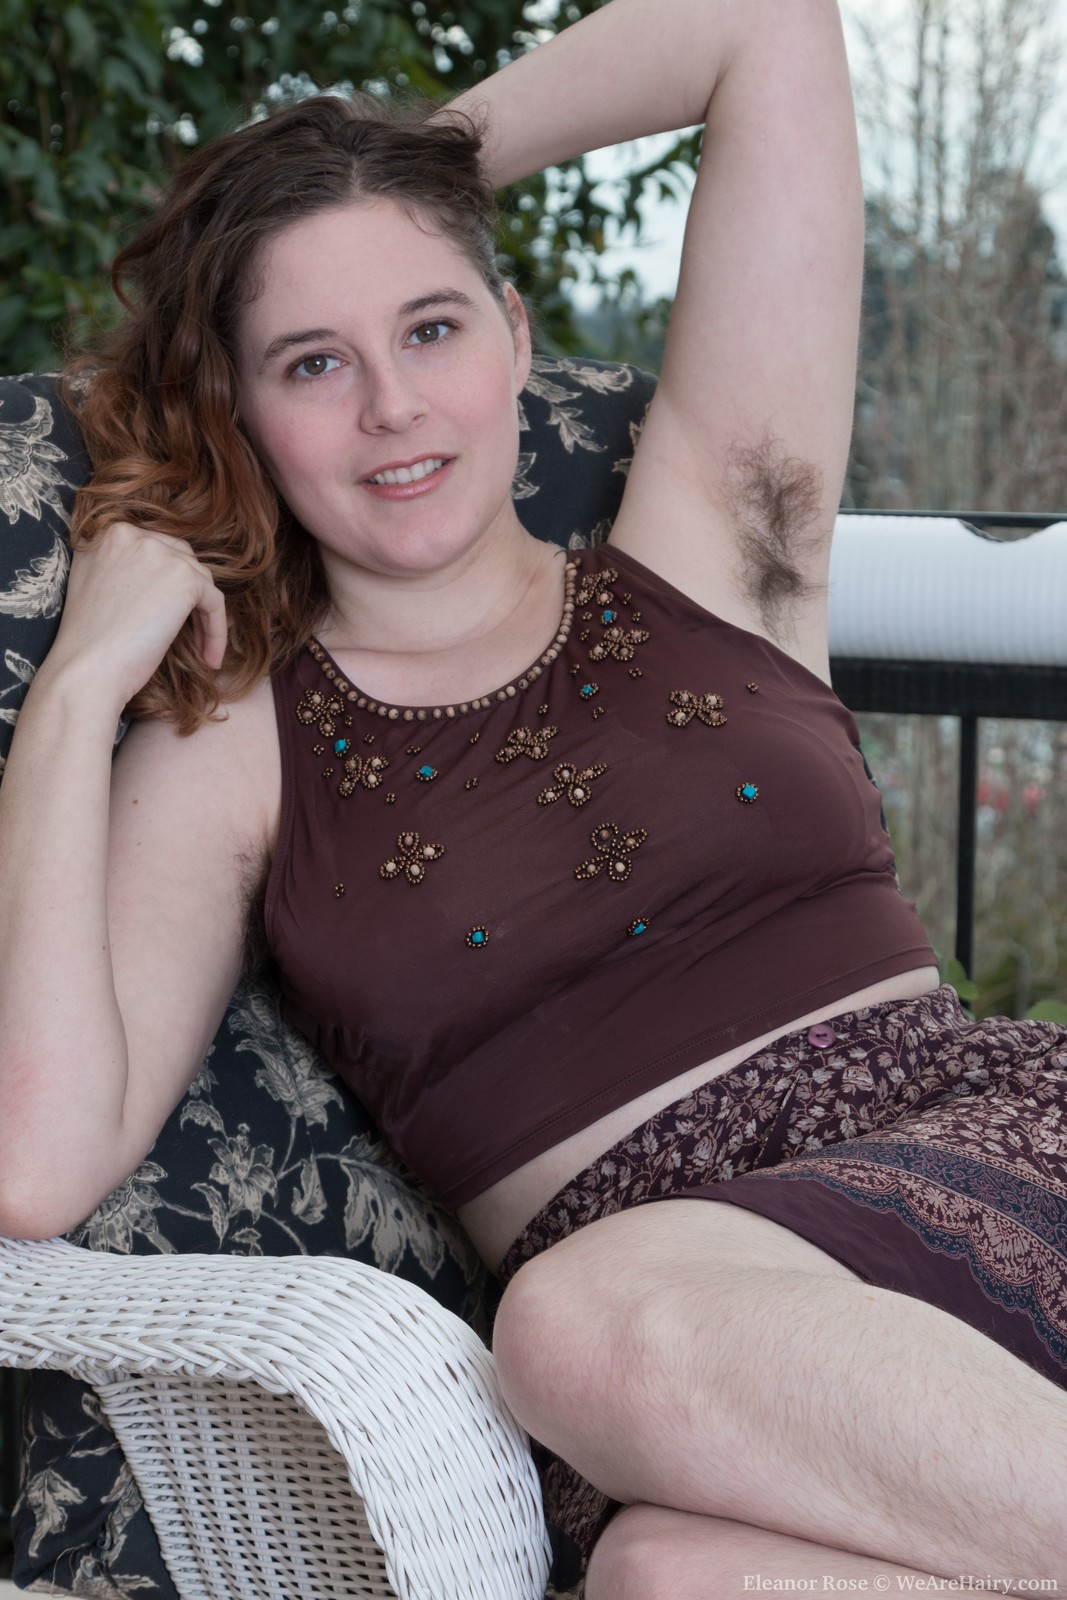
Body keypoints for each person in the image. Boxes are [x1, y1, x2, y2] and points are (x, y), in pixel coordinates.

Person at [1, 0, 1066, 1594]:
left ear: (511, 331)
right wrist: (79, 689)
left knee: (568, 1327)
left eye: (431, 325)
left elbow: (764, 26)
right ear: (239, 412)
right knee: (666, 1578)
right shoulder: (234, 750)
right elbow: (32, 1164)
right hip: (686, 1381)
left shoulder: (708, 547)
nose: (392, 405)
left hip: (974, 1166)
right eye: (313, 361)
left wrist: (388, 174)